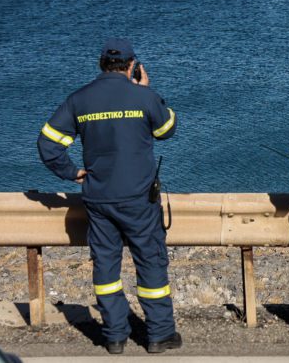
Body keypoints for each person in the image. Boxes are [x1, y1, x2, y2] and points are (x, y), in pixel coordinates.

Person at [37, 39, 181, 355]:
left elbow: (48, 145)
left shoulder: (79, 100)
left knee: (105, 267)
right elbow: (167, 129)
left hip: (99, 199)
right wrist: (147, 90)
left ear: (102, 64)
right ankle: (159, 334)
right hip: (139, 199)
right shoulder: (143, 96)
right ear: (133, 65)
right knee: (150, 263)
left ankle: (115, 336)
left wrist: (72, 172)